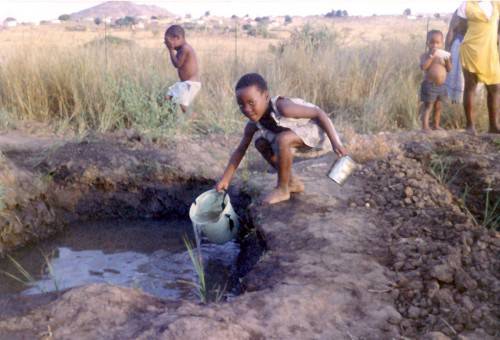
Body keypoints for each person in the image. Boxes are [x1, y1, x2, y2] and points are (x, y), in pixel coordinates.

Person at [215, 73, 348, 205]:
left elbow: (319, 113)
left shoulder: (283, 107)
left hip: (320, 133)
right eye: (241, 105)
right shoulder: (252, 125)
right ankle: (291, 182)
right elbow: (240, 150)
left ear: (266, 96)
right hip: (296, 138)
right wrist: (225, 179)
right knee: (260, 143)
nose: (247, 109)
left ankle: (282, 189)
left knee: (283, 139)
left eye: (251, 102)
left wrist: (335, 142)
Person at [452, 1, 500, 134]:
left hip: (490, 52)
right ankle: (470, 126)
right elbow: (461, 28)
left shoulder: (496, 3)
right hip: (472, 49)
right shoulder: (466, 5)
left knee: (495, 88)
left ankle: (494, 126)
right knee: (471, 86)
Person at [164, 25, 201, 117]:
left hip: (190, 83)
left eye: (169, 42)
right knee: (168, 97)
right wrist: (172, 48)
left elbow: (177, 64)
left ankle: (196, 120)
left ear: (177, 38)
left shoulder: (185, 48)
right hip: (183, 83)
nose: (168, 44)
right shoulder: (181, 49)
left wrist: (170, 50)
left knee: (183, 105)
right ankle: (171, 119)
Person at [419, 30, 452, 131]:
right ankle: (425, 127)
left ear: (442, 43)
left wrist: (447, 62)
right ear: (427, 43)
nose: (435, 45)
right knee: (428, 106)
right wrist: (431, 56)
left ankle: (436, 125)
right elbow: (424, 67)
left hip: (441, 86)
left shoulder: (444, 56)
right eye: (432, 42)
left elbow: (449, 69)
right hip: (430, 85)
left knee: (438, 106)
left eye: (437, 43)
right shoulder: (425, 55)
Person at [445, 10, 467, 104]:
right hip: (459, 46)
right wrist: (446, 51)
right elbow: (451, 30)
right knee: (456, 75)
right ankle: (453, 103)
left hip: (478, 48)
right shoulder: (462, 10)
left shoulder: (488, 9)